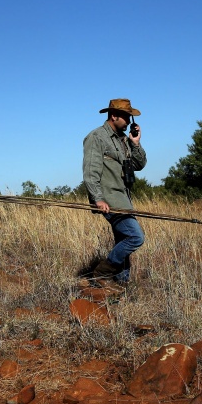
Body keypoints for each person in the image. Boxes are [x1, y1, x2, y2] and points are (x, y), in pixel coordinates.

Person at [83, 99, 147, 288]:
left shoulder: (124, 140)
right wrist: (98, 198)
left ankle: (121, 284)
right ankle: (101, 273)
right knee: (135, 237)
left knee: (123, 239)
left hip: (124, 198)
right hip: (110, 199)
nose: (129, 121)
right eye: (127, 116)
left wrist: (135, 143)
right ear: (114, 116)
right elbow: (90, 172)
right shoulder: (96, 137)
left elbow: (139, 165)